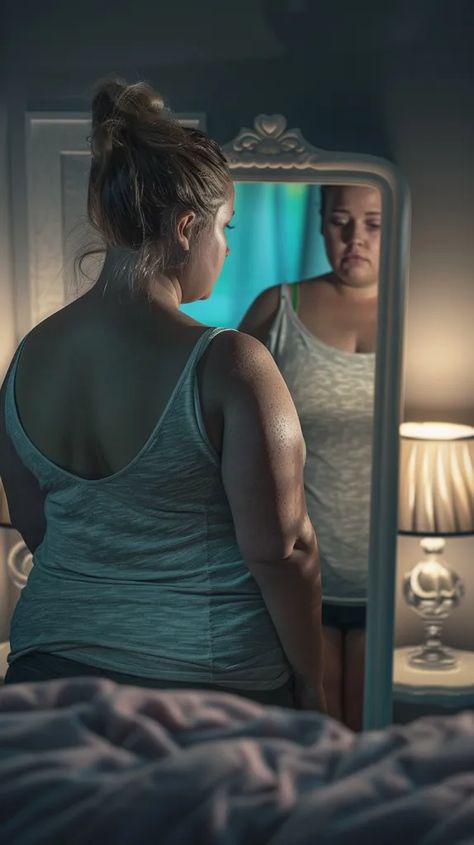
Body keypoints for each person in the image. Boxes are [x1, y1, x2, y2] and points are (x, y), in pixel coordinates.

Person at [0, 79, 325, 712]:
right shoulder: (232, 364)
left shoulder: (27, 359)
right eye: (224, 228)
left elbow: (40, 531)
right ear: (185, 228)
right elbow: (282, 553)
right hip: (206, 685)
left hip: (43, 683)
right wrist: (312, 682)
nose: (225, 248)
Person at [239, 183, 381, 728]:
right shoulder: (279, 307)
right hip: (299, 567)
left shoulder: (423, 310)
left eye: (373, 224)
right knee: (315, 738)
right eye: (340, 221)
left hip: (389, 571)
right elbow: (217, 423)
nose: (354, 238)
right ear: (321, 222)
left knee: (375, 734)